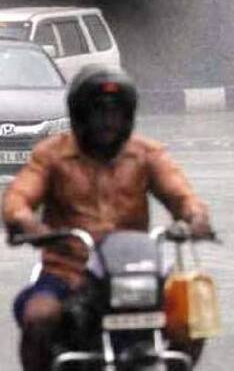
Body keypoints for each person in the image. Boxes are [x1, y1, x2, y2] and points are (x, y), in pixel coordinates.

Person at [2, 64, 213, 371]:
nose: (107, 122)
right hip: (68, 270)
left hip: (134, 269)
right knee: (39, 316)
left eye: (115, 113)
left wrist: (194, 218)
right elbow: (17, 197)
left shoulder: (146, 154)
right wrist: (25, 222)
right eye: (98, 112)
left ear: (127, 116)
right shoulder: (50, 155)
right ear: (79, 115)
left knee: (194, 316)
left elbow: (182, 195)